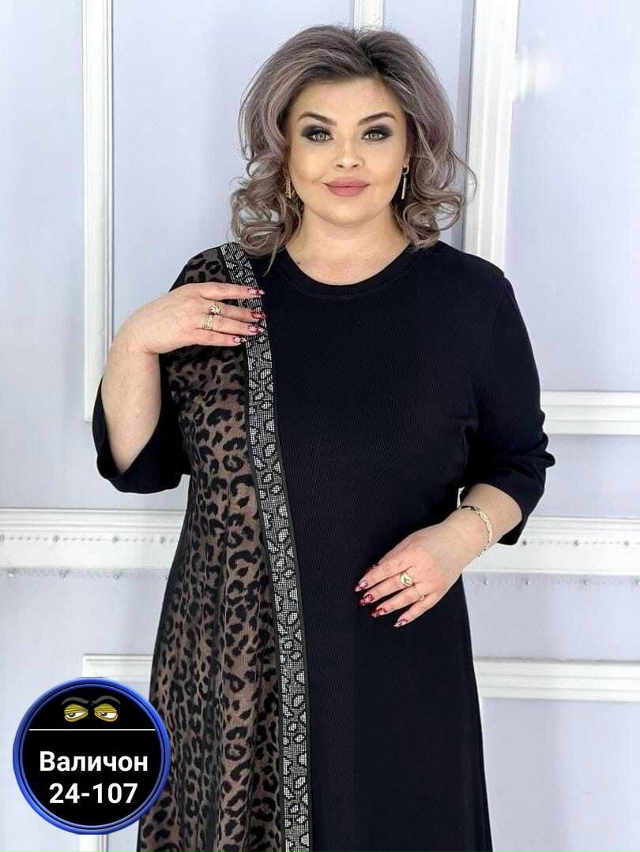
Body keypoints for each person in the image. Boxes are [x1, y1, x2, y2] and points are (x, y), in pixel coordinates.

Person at [92, 23, 556, 852]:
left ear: (411, 150)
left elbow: (518, 462)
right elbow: (140, 466)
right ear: (284, 150)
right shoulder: (222, 291)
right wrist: (134, 344)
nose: (347, 158)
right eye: (318, 133)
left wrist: (456, 540)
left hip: (396, 666)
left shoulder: (471, 300)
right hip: (233, 684)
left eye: (375, 133)